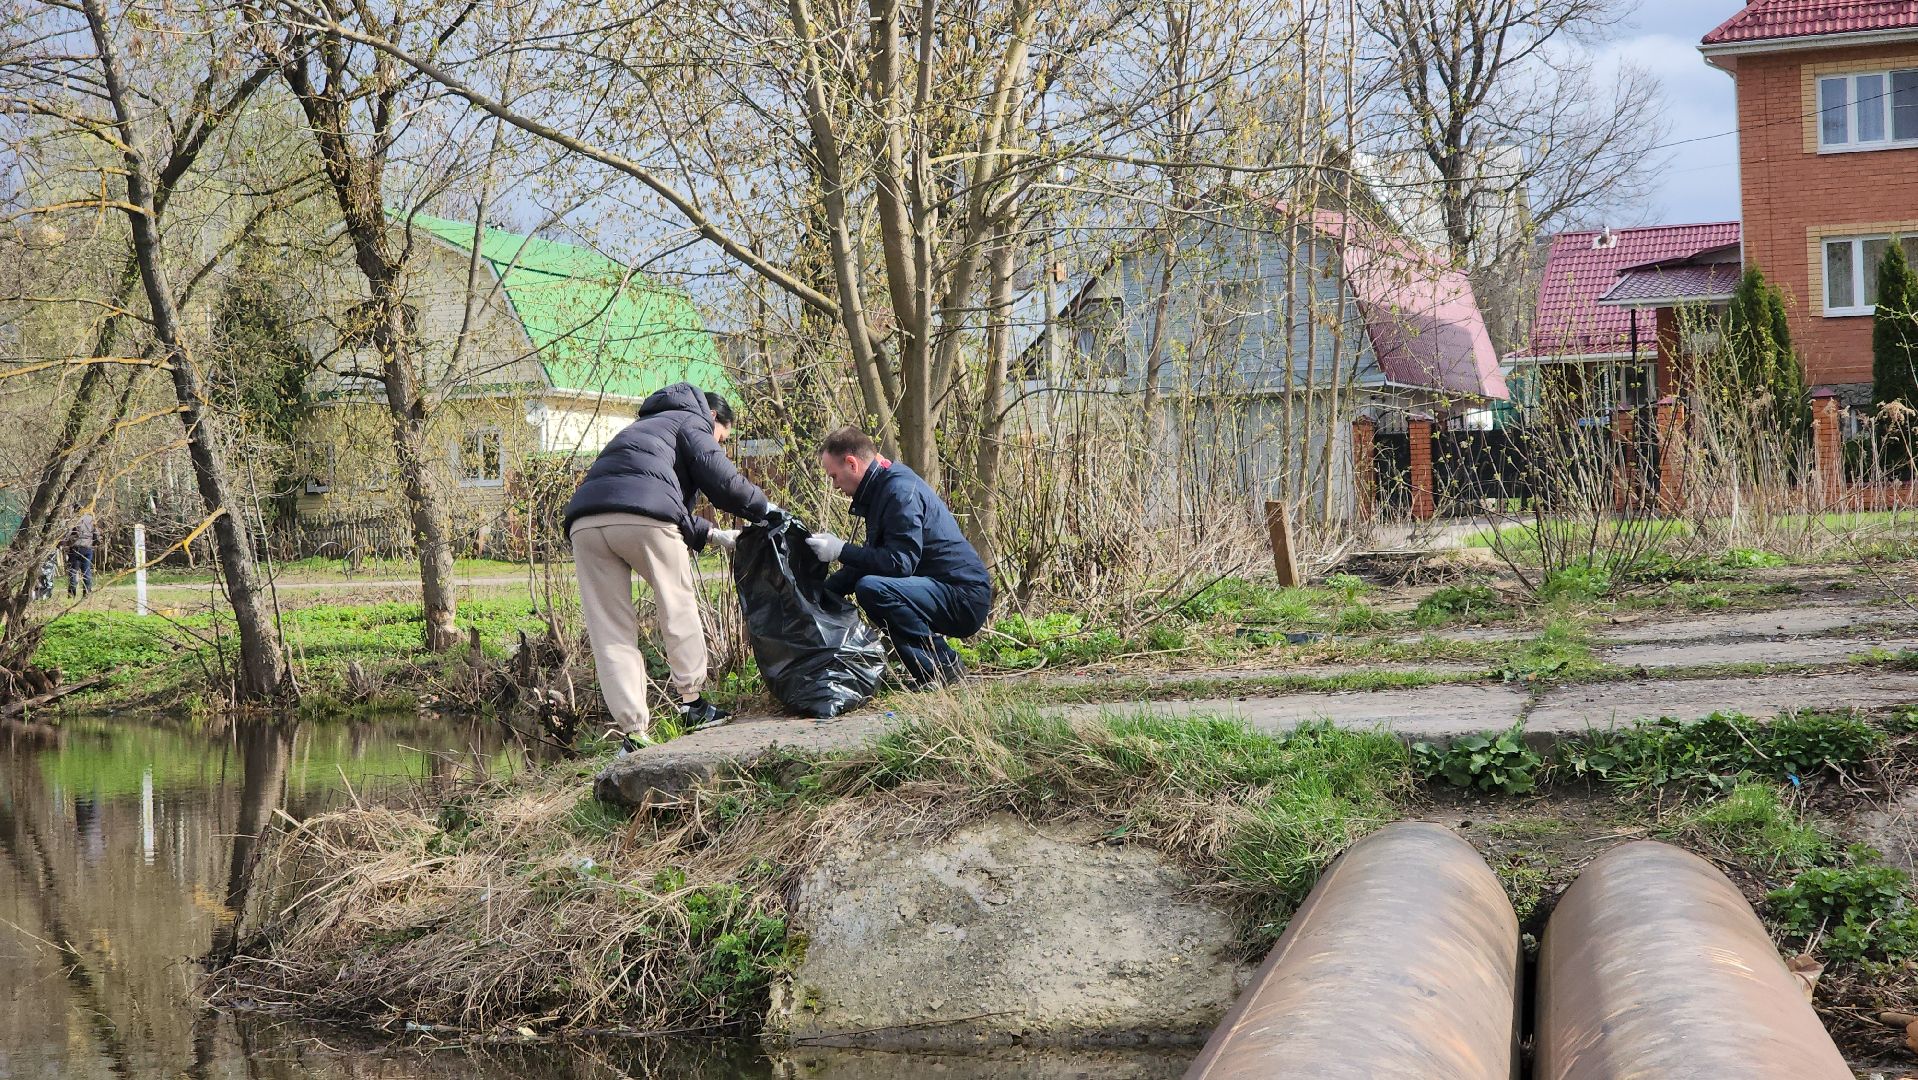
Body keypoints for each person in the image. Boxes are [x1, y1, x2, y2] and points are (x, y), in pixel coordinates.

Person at [562, 383, 771, 750]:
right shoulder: (692, 421)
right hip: (645, 520)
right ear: (712, 417)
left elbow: (653, 493)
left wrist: (710, 534)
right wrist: (765, 510)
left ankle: (634, 733)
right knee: (676, 603)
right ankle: (692, 704)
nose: (719, 444)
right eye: (721, 438)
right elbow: (722, 480)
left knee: (610, 628)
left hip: (584, 523)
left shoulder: (639, 429)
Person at [807, 426, 991, 687]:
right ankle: (932, 675)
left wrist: (841, 551)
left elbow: (898, 564)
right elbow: (873, 561)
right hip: (945, 591)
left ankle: (942, 665)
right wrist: (819, 593)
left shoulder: (899, 492)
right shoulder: (882, 490)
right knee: (871, 584)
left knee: (873, 588)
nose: (835, 485)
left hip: (964, 596)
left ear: (852, 464)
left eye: (834, 476)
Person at [63, 505, 96, 599]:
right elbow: (96, 533)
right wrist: (94, 541)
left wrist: (65, 543)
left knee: (73, 571)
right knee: (86, 571)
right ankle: (87, 593)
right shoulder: (91, 519)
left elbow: (67, 534)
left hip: (76, 548)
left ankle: (71, 594)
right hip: (88, 548)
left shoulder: (74, 520)